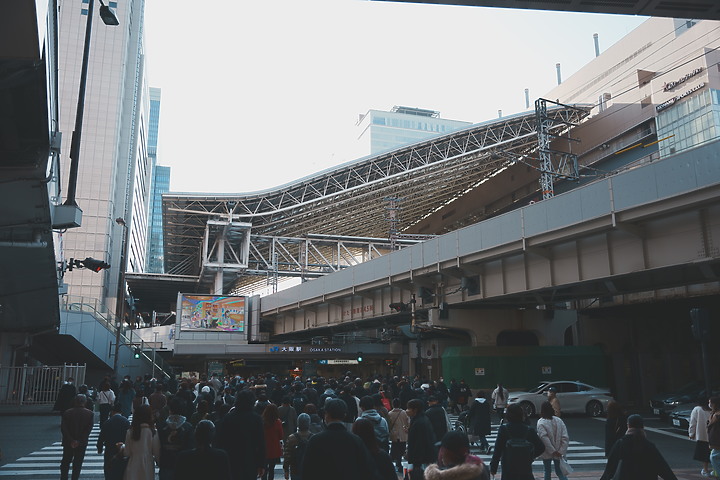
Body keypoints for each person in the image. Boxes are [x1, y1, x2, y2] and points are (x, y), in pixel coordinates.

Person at [300, 398, 380, 480]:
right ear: (344, 415)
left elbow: (307, 470)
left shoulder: (315, 440)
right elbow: (369, 470)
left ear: (326, 414)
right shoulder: (355, 440)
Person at [600, 414, 677, 480]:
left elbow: (610, 469)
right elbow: (663, 468)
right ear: (642, 426)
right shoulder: (649, 446)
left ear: (628, 425)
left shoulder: (621, 443)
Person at [215, 388, 266, 480]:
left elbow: (220, 440)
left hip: (231, 458)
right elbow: (261, 442)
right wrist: (261, 464)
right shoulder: (256, 419)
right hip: (250, 458)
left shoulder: (228, 417)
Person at [489, 403, 545, 480]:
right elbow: (541, 447)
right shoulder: (529, 430)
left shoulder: (504, 429)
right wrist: (530, 456)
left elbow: (497, 450)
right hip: (525, 467)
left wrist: (493, 468)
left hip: (508, 467)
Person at [117, 403, 160, 480]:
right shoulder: (153, 432)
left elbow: (127, 452)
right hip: (148, 464)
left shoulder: (131, 432)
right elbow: (156, 452)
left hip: (133, 463)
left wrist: (121, 447)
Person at [424, 430, 490, 480]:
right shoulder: (481, 468)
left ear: (452, 453)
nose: (441, 453)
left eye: (443, 450)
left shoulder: (445, 476)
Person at [157, 397, 195, 480]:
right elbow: (190, 447)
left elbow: (158, 446)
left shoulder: (162, 426)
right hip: (183, 464)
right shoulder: (188, 427)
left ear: (170, 410)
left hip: (166, 462)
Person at [60, 394, 94, 480]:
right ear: (85, 402)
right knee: (78, 463)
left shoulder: (67, 412)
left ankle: (64, 478)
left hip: (68, 442)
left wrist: (71, 440)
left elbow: (64, 428)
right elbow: (88, 430)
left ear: (75, 401)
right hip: (81, 443)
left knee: (65, 461)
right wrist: (78, 440)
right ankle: (75, 478)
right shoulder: (89, 414)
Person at [536, 401, 569, 480]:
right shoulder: (559, 421)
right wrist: (560, 451)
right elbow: (565, 437)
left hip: (547, 451)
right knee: (560, 472)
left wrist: (552, 451)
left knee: (547, 471)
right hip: (559, 451)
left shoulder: (541, 422)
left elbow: (544, 438)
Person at [96, 402, 130, 480]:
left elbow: (101, 436)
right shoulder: (126, 422)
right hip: (122, 451)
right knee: (121, 472)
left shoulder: (108, 422)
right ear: (121, 412)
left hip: (109, 450)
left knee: (109, 472)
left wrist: (99, 447)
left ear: (112, 412)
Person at [406, 398, 437, 480]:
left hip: (420, 458)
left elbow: (419, 443)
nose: (407, 410)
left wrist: (412, 457)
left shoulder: (419, 422)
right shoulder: (421, 419)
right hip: (423, 457)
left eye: (408, 408)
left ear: (415, 410)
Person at [283, 413, 313, 480]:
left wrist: (286, 470)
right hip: (310, 469)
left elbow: (287, 455)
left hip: (295, 469)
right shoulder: (313, 438)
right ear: (309, 423)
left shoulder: (291, 438)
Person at [689, 396, 712, 476]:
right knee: (714, 453)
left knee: (704, 454)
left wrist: (691, 434)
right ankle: (715, 469)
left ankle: (705, 470)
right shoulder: (713, 409)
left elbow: (692, 423)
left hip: (702, 436)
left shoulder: (697, 409)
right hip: (713, 436)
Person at [387, 397, 410, 472]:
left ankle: (395, 462)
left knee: (395, 448)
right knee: (401, 449)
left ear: (393, 404)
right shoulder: (404, 413)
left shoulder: (390, 413)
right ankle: (399, 462)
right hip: (403, 434)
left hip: (394, 434)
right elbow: (408, 423)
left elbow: (389, 425)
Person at [263, 403, 284, 480]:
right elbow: (281, 435)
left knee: (264, 468)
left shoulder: (262, 421)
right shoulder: (278, 422)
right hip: (274, 447)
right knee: (272, 469)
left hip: (264, 447)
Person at [708, 396, 720, 478]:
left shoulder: (717, 415)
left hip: (717, 440)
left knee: (713, 457)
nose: (709, 404)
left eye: (710, 402)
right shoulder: (714, 413)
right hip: (715, 440)